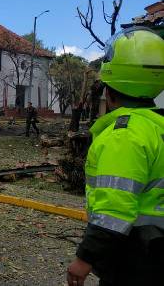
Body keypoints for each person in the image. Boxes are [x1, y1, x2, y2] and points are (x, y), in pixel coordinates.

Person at [66, 27, 164, 286]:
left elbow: (115, 209)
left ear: (108, 93)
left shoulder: (123, 135)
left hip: (135, 256)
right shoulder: (157, 127)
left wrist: (84, 259)